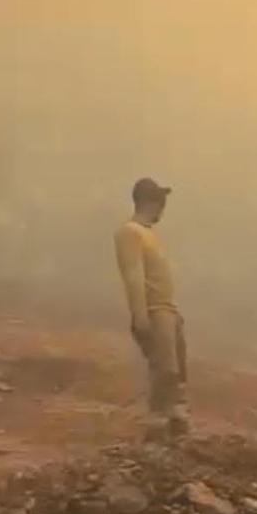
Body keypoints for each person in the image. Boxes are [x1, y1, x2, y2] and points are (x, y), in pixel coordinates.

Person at [114, 178, 189, 439]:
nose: (163, 209)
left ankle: (174, 428)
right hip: (155, 311)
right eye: (160, 202)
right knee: (165, 371)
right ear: (150, 202)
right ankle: (156, 430)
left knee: (176, 374)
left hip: (167, 311)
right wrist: (140, 317)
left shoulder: (148, 235)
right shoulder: (130, 232)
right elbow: (134, 276)